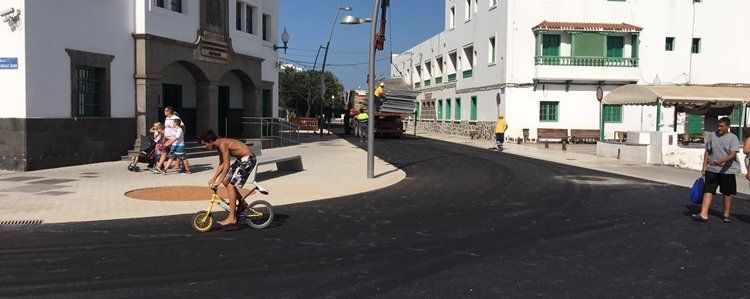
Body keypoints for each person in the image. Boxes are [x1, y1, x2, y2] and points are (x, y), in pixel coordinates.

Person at [199, 130, 257, 227]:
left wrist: (218, 181)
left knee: (230, 185)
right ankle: (242, 204)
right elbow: (221, 164)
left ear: (210, 141)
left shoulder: (222, 145)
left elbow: (226, 166)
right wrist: (214, 179)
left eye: (204, 144)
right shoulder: (219, 145)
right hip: (241, 159)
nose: (204, 147)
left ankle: (232, 217)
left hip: (248, 160)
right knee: (226, 181)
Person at [693, 117, 739, 223]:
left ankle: (726, 215)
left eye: (722, 126)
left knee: (727, 193)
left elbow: (733, 153)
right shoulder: (712, 136)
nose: (719, 128)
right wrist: (704, 166)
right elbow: (707, 151)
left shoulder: (733, 138)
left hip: (728, 171)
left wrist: (722, 160)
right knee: (708, 190)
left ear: (728, 126)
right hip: (712, 169)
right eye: (718, 126)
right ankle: (703, 214)